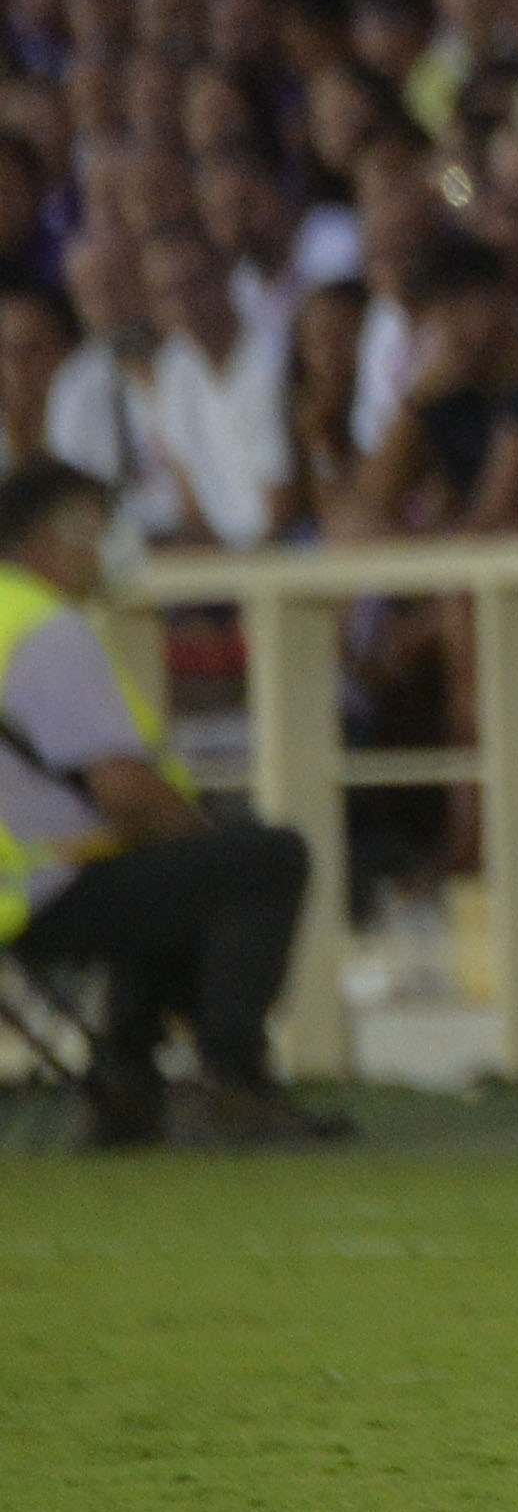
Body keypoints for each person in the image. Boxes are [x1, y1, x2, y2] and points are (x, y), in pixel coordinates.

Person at [0, 461, 337, 1148]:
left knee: (177, 873)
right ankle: (231, 1080)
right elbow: (123, 789)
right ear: (52, 534)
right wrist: (192, 826)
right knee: (258, 860)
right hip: (40, 888)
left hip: (26, 887)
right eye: (95, 526)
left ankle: (127, 1081)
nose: (106, 544)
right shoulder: (43, 628)